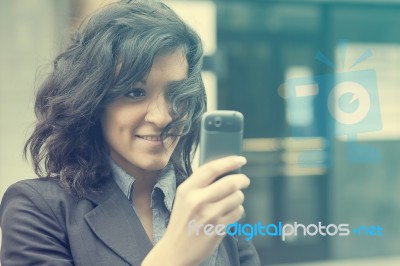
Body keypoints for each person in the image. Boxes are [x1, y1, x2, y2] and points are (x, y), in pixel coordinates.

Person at [0, 1, 261, 265]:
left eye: (176, 95)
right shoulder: (37, 208)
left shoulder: (211, 206)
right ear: (93, 101)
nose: (162, 117)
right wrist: (174, 255)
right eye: (135, 93)